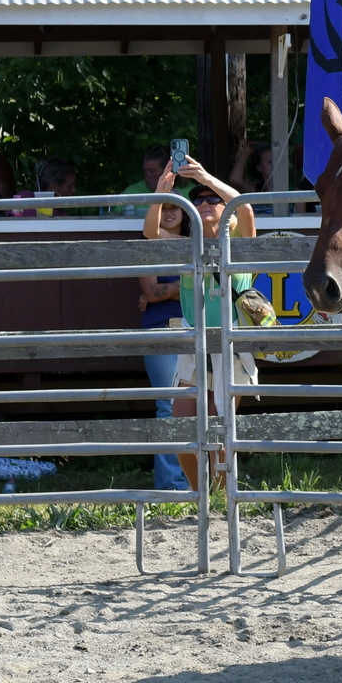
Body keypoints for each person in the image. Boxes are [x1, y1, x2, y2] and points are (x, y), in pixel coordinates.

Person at [145, 155, 256, 489]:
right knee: (180, 431)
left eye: (213, 200)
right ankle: (201, 496)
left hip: (230, 348)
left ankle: (221, 500)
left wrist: (206, 179)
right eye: (198, 201)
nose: (204, 203)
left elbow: (246, 209)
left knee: (220, 433)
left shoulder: (241, 245)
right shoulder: (186, 247)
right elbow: (150, 231)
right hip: (194, 345)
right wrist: (162, 191)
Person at [138, 197, 192, 492]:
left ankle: (195, 481)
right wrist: (187, 284)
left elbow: (158, 292)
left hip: (196, 329)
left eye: (174, 207)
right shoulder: (147, 246)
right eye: (163, 207)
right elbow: (151, 292)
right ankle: (172, 485)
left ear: (185, 211)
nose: (169, 212)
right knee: (169, 405)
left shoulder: (196, 242)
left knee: (200, 405)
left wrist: (165, 290)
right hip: (161, 331)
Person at [119, 146, 192, 216]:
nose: (147, 175)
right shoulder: (131, 192)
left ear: (167, 171)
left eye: (152, 171)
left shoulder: (190, 191)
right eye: (145, 171)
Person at [228, 140, 276, 215]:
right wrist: (246, 151)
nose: (275, 165)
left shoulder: (291, 189)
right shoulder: (254, 190)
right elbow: (235, 179)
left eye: (278, 160)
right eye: (270, 162)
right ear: (259, 167)